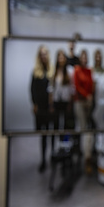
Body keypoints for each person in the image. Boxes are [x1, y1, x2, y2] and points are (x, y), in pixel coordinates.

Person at [30, 45, 53, 173]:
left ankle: (52, 157)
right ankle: (43, 159)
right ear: (39, 56)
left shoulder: (51, 70)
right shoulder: (35, 72)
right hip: (40, 108)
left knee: (51, 133)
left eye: (45, 54)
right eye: (41, 54)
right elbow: (32, 90)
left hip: (50, 108)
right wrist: (34, 104)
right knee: (43, 134)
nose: (43, 56)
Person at [73, 49, 94, 174]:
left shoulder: (89, 70)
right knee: (84, 129)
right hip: (79, 102)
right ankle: (86, 158)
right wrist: (86, 95)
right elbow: (77, 86)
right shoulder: (76, 70)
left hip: (88, 103)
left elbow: (91, 84)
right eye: (82, 57)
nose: (84, 59)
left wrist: (89, 96)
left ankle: (87, 156)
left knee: (88, 130)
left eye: (86, 57)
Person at [51, 49, 75, 154]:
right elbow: (51, 88)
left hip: (66, 102)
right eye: (59, 57)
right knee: (56, 125)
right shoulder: (54, 70)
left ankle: (66, 147)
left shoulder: (70, 70)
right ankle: (56, 148)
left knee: (66, 125)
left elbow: (72, 88)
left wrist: (70, 102)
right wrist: (51, 103)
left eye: (62, 57)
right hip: (57, 101)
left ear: (65, 59)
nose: (61, 59)